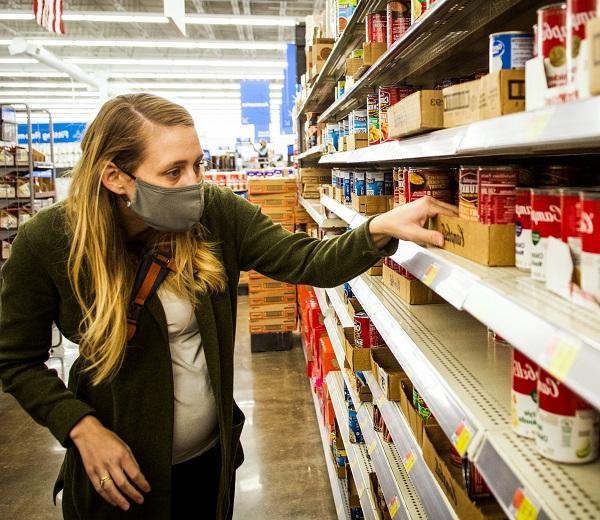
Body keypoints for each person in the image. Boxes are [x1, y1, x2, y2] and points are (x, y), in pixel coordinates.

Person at [0, 94, 456, 520]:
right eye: (173, 172)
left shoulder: (215, 214)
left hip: (210, 464)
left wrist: (377, 228)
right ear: (115, 177)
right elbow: (16, 359)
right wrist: (79, 427)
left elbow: (304, 259)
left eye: (197, 165)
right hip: (118, 477)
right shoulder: (50, 242)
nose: (195, 184)